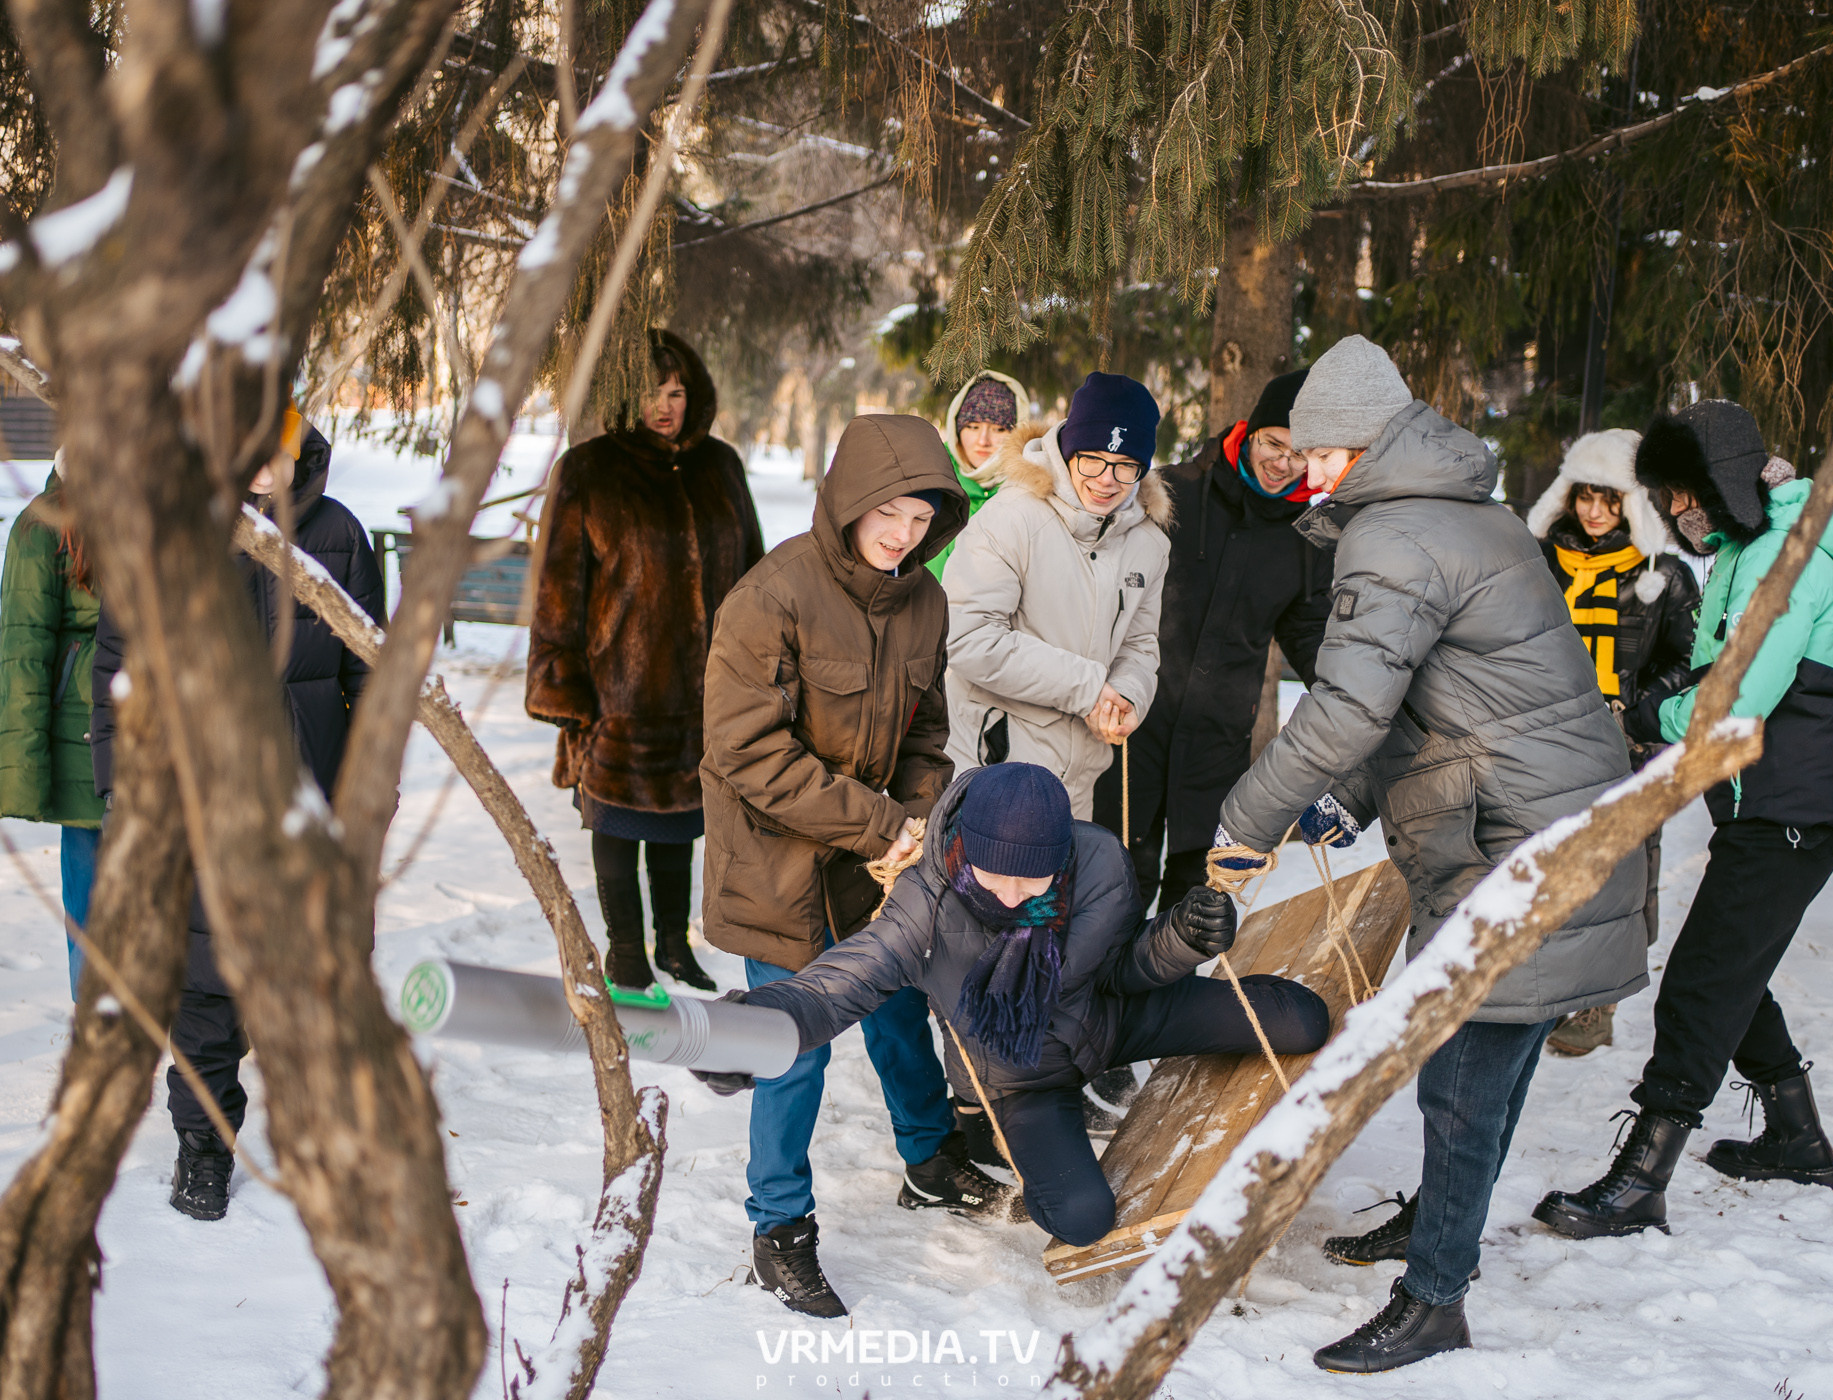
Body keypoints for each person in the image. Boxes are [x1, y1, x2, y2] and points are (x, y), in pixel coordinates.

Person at [1210, 335, 1649, 1374]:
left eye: (1324, 454)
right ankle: (1439, 1224)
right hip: (1548, 821)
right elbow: (1442, 702)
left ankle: (1435, 1296)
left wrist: (1245, 823)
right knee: (1490, 1067)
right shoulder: (1469, 512)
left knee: (1461, 1081)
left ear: (1367, 444)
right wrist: (1347, 801)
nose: (1311, 474)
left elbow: (1348, 708)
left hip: (1514, 838)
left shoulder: (1396, 534)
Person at [703, 761, 1328, 1314]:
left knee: (1304, 1021)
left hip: (1110, 1020)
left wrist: (1181, 939)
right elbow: (841, 983)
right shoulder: (925, 902)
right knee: (1081, 1219)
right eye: (993, 876)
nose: (1009, 898)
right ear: (964, 849)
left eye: (1032, 882)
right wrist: (757, 1027)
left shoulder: (1100, 862)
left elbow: (1119, 968)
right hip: (1024, 1073)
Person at [1532, 401, 1833, 1240]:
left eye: (1684, 492)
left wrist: (1647, 715)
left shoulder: (1784, 563)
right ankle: (1798, 1139)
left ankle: (1641, 1179)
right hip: (1774, 802)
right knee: (1736, 970)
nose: (1676, 510)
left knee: (1699, 984)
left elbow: (1732, 698)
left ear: (1722, 485)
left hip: (1795, 809)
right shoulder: (1743, 551)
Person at [699, 412, 993, 1316]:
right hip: (779, 871)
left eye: (921, 518)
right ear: (847, 502)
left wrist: (916, 819)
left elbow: (927, 735)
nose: (903, 535)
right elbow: (748, 752)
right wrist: (879, 826)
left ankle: (929, 1157)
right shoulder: (772, 595)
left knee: (902, 1007)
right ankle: (779, 1229)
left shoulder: (925, 601)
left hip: (875, 866)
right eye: (887, 513)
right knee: (791, 1047)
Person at [91, 412, 383, 1222]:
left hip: (307, 803)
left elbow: (372, 674)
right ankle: (203, 1145)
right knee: (204, 985)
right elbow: (118, 667)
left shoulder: (339, 536)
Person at [527, 330, 764, 993]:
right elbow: (556, 591)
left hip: (706, 695)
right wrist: (566, 691)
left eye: (677, 392)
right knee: (617, 822)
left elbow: (754, 574)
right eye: (651, 393)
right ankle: (626, 952)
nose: (665, 406)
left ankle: (675, 946)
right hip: (618, 695)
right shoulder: (588, 468)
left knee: (680, 825)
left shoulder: (721, 466)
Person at [1117, 368, 1332, 915]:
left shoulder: (1307, 536)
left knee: (1195, 897)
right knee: (1118, 877)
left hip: (1218, 739)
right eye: (1273, 444)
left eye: (1300, 453)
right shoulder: (1173, 492)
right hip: (1138, 722)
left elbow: (1307, 632)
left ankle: (1168, 974)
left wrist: (1347, 691)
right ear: (1249, 431)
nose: (1282, 464)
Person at [1526, 428, 1701, 1056]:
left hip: (1627, 750)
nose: (1594, 511)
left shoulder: (1665, 574)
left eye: (1609, 498)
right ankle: (1546, 991)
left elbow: (1691, 658)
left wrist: (1636, 710)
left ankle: (1597, 1005)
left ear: (1634, 502)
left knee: (1619, 874)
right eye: (1584, 496)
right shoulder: (1541, 561)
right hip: (1546, 744)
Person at [942, 371, 1171, 821]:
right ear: (1067, 451)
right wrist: (1088, 689)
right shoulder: (1011, 517)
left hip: (1077, 782)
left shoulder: (1149, 544)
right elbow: (967, 637)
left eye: (1126, 465)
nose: (1107, 480)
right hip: (994, 770)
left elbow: (1140, 645)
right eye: (1092, 460)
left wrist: (1127, 695)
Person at [0, 451, 105, 999]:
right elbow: (25, 654)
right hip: (83, 747)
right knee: (90, 910)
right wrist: (24, 777)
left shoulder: (160, 505)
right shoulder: (42, 527)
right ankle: (96, 1028)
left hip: (158, 741)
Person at [926, 369, 1030, 578]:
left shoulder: (1029, 495)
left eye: (998, 429)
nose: (983, 440)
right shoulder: (929, 481)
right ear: (956, 429)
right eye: (973, 427)